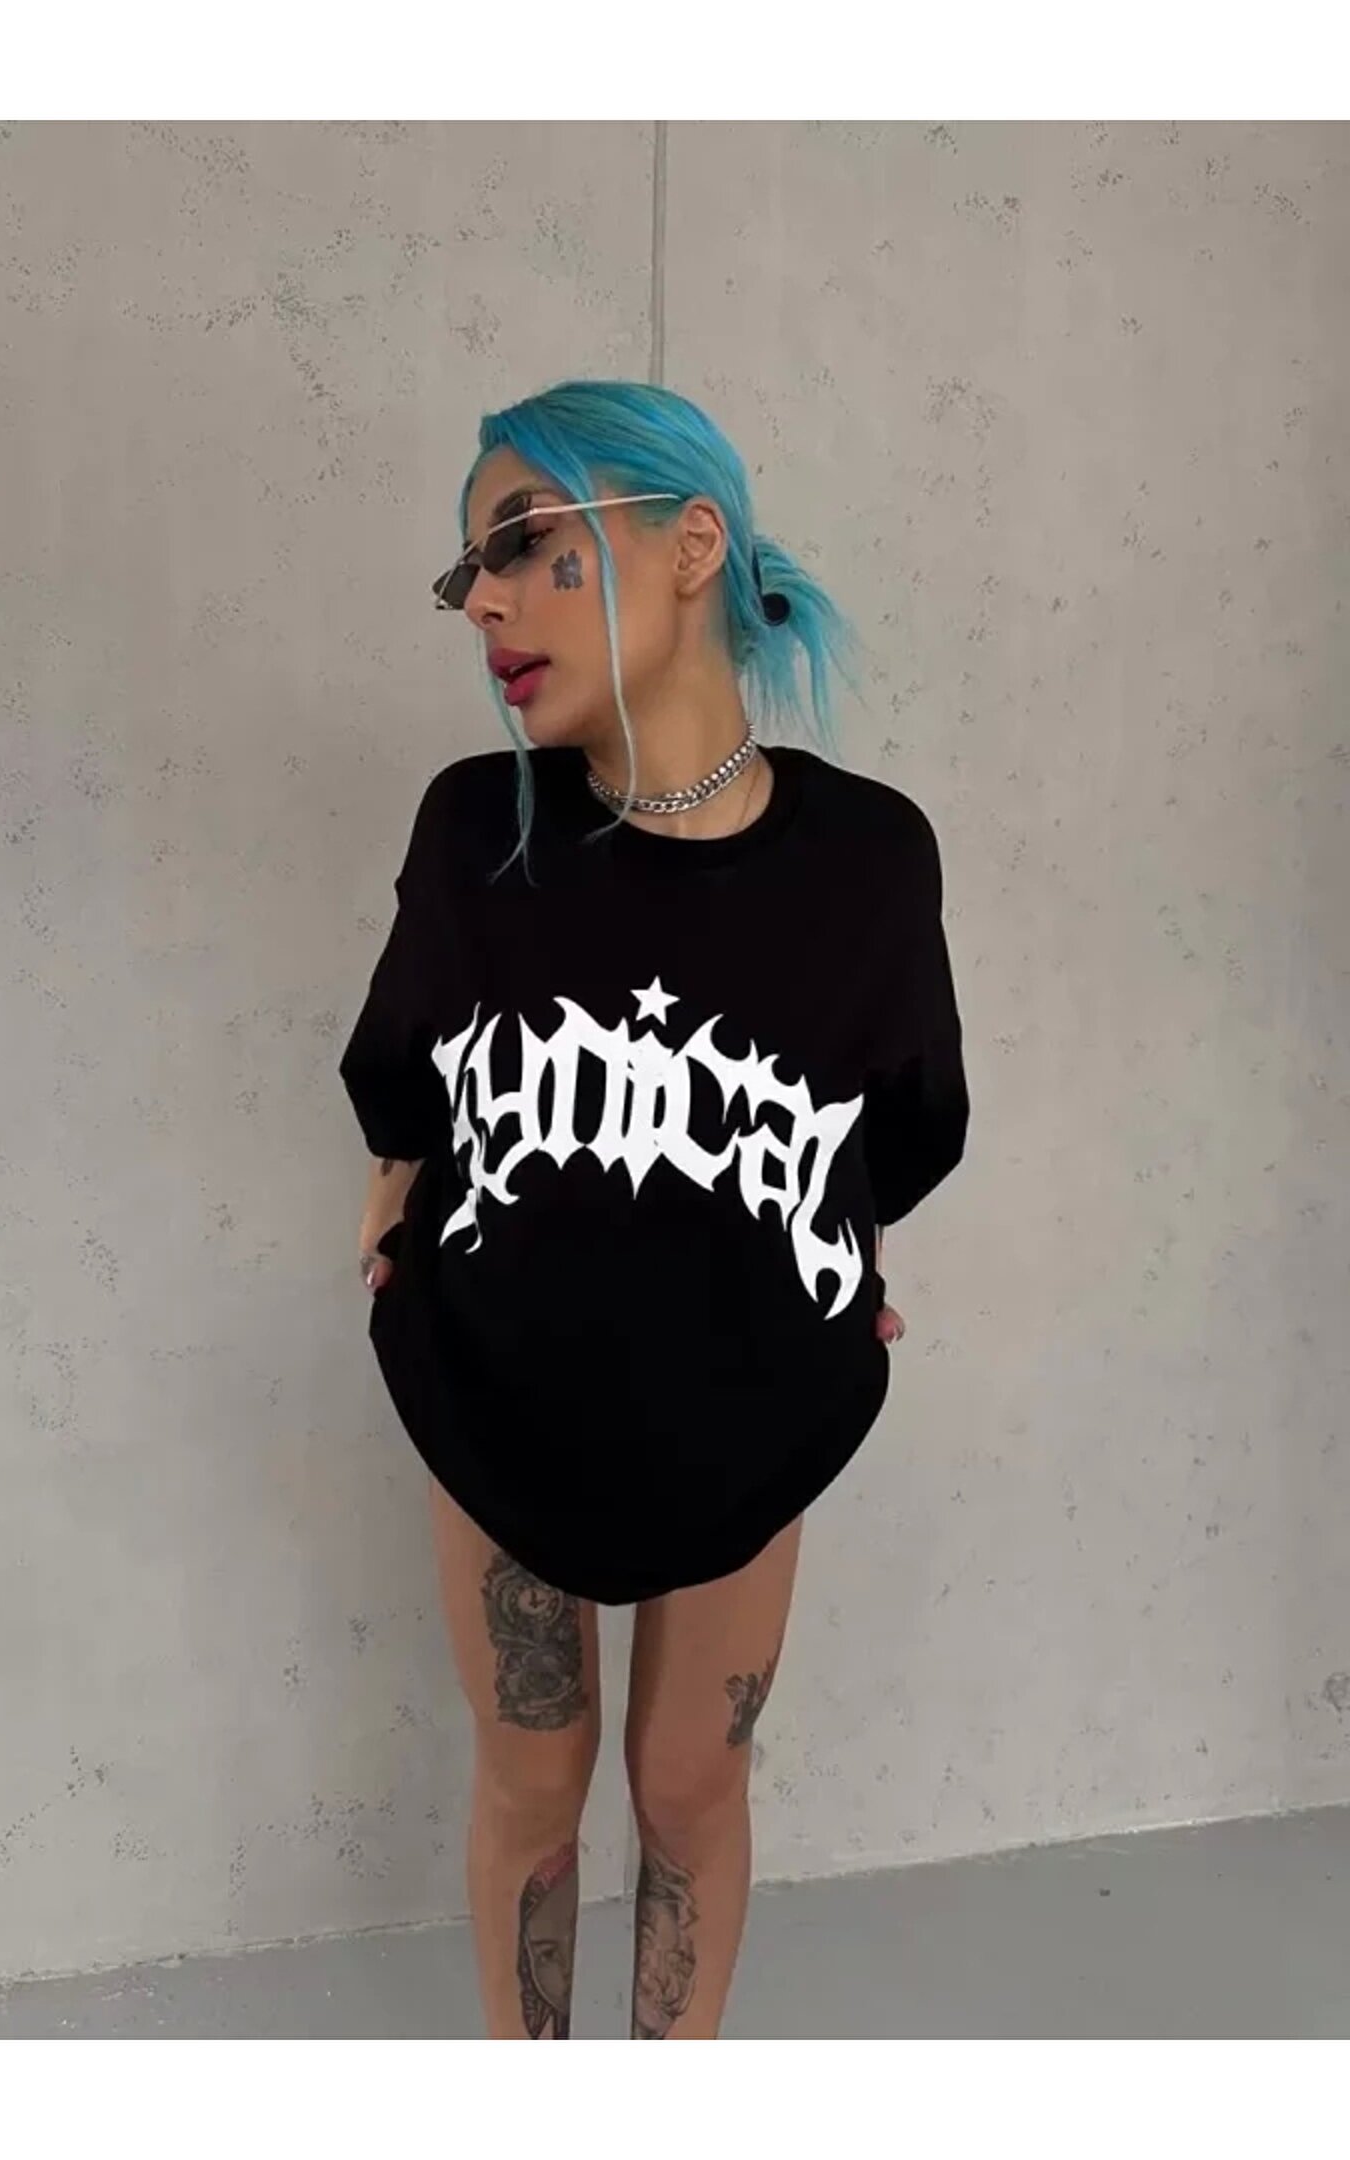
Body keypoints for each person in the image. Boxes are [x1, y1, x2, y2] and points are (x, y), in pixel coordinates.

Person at [338, 379, 969, 2040]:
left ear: (694, 545)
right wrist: (392, 1205)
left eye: (523, 544)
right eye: (468, 569)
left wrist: (837, 1251)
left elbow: (900, 1116)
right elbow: (405, 1072)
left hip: (751, 1393)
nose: (482, 600)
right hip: (498, 1378)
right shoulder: (475, 830)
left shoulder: (868, 855)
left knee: (693, 1785)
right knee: (531, 1782)